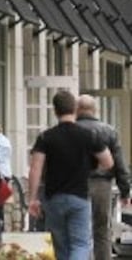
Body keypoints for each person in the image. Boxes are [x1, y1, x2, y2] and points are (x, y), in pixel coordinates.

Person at [28, 90, 114, 260]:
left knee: (60, 246)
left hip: (54, 198)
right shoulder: (88, 135)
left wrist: (33, 198)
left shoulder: (46, 137)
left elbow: (35, 168)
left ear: (55, 111)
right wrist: (90, 166)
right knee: (80, 244)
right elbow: (108, 162)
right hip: (79, 197)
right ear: (75, 109)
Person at [76, 94, 131, 260]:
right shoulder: (108, 131)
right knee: (102, 229)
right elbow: (119, 163)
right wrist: (125, 190)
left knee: (79, 228)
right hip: (102, 184)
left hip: (75, 184)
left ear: (77, 109)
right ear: (95, 110)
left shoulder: (69, 130)